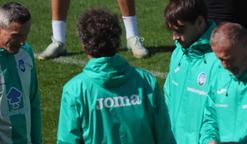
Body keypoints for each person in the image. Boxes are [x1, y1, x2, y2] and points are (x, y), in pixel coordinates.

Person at [56, 8, 174, 144]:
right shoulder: (146, 81)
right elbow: (164, 135)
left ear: (84, 45)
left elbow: (68, 141)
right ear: (118, 42)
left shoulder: (75, 90)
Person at [164, 0, 218, 144]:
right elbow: (168, 98)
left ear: (200, 22)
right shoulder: (178, 53)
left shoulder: (220, 61)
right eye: (172, 31)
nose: (174, 37)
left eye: (180, 30)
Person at [0, 2, 41, 144]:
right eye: (16, 36)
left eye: (26, 35)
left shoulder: (26, 52)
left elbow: (33, 102)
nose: (23, 42)